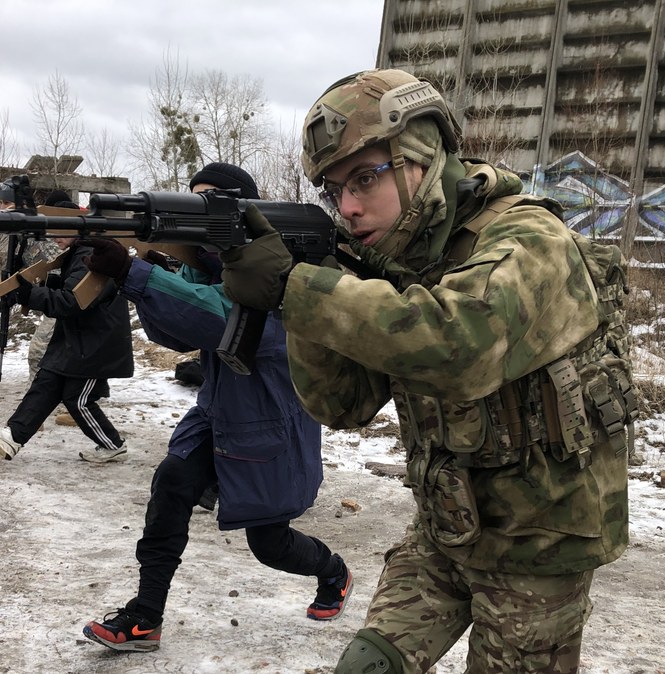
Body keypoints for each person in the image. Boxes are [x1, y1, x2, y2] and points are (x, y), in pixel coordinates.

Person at [217, 69, 634, 673]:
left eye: (365, 177)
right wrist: (309, 284)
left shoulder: (530, 239)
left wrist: (298, 290)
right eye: (336, 190)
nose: (350, 206)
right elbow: (342, 404)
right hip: (447, 529)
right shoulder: (394, 263)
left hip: (540, 544)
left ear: (422, 156)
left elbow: (460, 343)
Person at [79, 162, 351, 653]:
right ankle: (145, 617)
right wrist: (143, 275)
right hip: (217, 411)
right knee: (171, 486)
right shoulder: (209, 264)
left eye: (209, 203)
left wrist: (136, 272)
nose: (197, 213)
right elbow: (177, 331)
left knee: (270, 545)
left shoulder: (283, 268)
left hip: (271, 421)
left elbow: (220, 319)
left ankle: (333, 572)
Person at [0, 231, 134, 463]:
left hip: (95, 343)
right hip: (77, 339)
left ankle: (112, 445)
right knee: (47, 381)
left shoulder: (93, 254)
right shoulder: (78, 252)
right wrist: (28, 290)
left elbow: (73, 301)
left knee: (77, 398)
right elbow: (69, 287)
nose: (55, 237)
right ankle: (12, 436)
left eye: (61, 230)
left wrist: (28, 295)